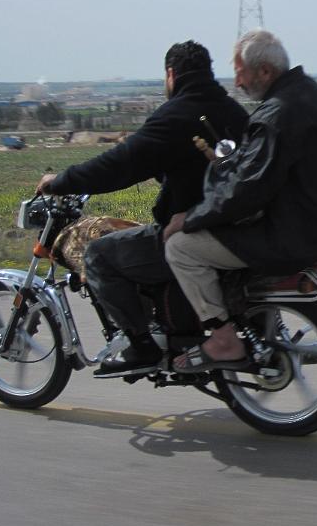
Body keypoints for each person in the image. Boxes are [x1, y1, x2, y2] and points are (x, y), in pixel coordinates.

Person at [36, 40, 249, 376]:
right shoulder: (233, 111)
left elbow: (119, 165)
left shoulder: (176, 114)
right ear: (208, 71)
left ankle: (141, 346)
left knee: (100, 255)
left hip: (193, 233)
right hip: (236, 229)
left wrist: (61, 181)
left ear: (170, 75)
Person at [163, 29, 317, 372]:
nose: (237, 83)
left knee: (180, 247)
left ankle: (222, 339)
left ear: (265, 72)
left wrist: (191, 217)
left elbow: (247, 192)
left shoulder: (277, 115)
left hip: (294, 236)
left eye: (241, 73)